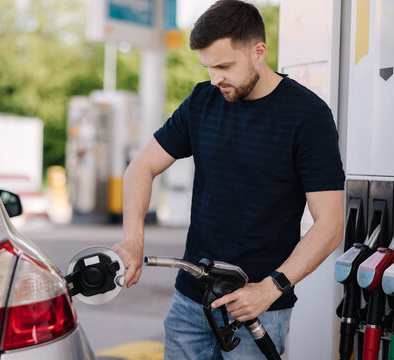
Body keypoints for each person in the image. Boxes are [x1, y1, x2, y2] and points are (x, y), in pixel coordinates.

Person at [112, 0, 345, 359]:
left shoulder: (308, 116)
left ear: (258, 52)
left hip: (257, 309)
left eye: (223, 66)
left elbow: (330, 224)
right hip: (190, 304)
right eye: (207, 67)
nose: (214, 78)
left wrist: (270, 289)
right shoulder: (202, 101)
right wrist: (133, 238)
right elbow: (140, 167)